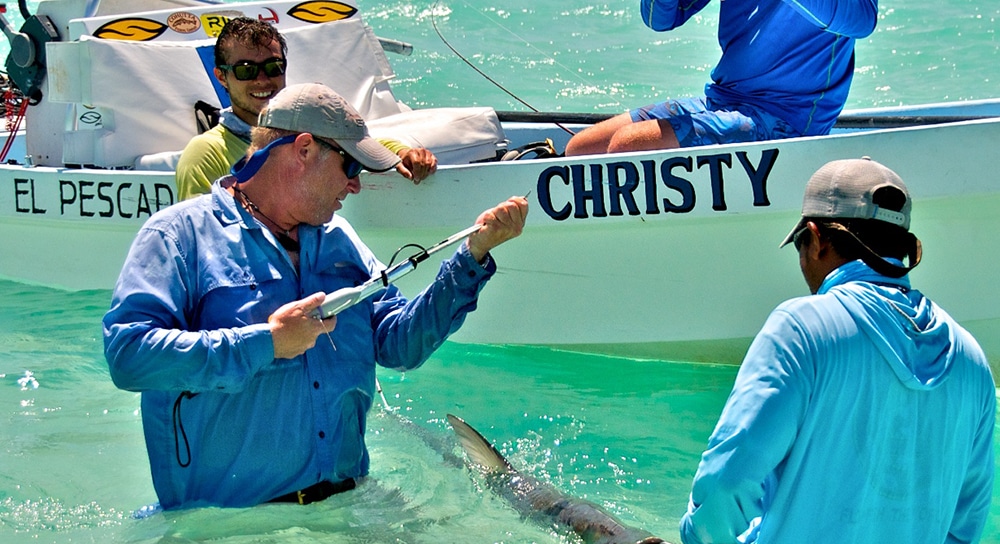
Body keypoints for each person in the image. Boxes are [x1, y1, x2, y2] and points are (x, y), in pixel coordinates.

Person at [104, 82, 527, 510]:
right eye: (351, 168)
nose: (356, 187)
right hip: (230, 531)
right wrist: (266, 343)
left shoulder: (340, 240)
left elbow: (400, 344)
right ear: (304, 150)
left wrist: (474, 255)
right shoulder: (177, 235)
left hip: (349, 506)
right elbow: (128, 355)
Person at [679, 157, 995, 544]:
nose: (803, 265)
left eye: (802, 249)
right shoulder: (973, 362)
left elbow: (728, 480)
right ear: (907, 248)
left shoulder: (801, 328)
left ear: (817, 237)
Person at [565, 1, 879, 156]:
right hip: (723, 99)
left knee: (626, 146)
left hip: (787, 121)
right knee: (579, 150)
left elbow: (863, 21)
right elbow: (658, 20)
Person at [175, 17, 436, 200]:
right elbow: (200, 242)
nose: (263, 80)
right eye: (246, 70)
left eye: (273, 67)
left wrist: (402, 152)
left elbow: (353, 142)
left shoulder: (306, 125)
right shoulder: (204, 154)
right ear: (221, 77)